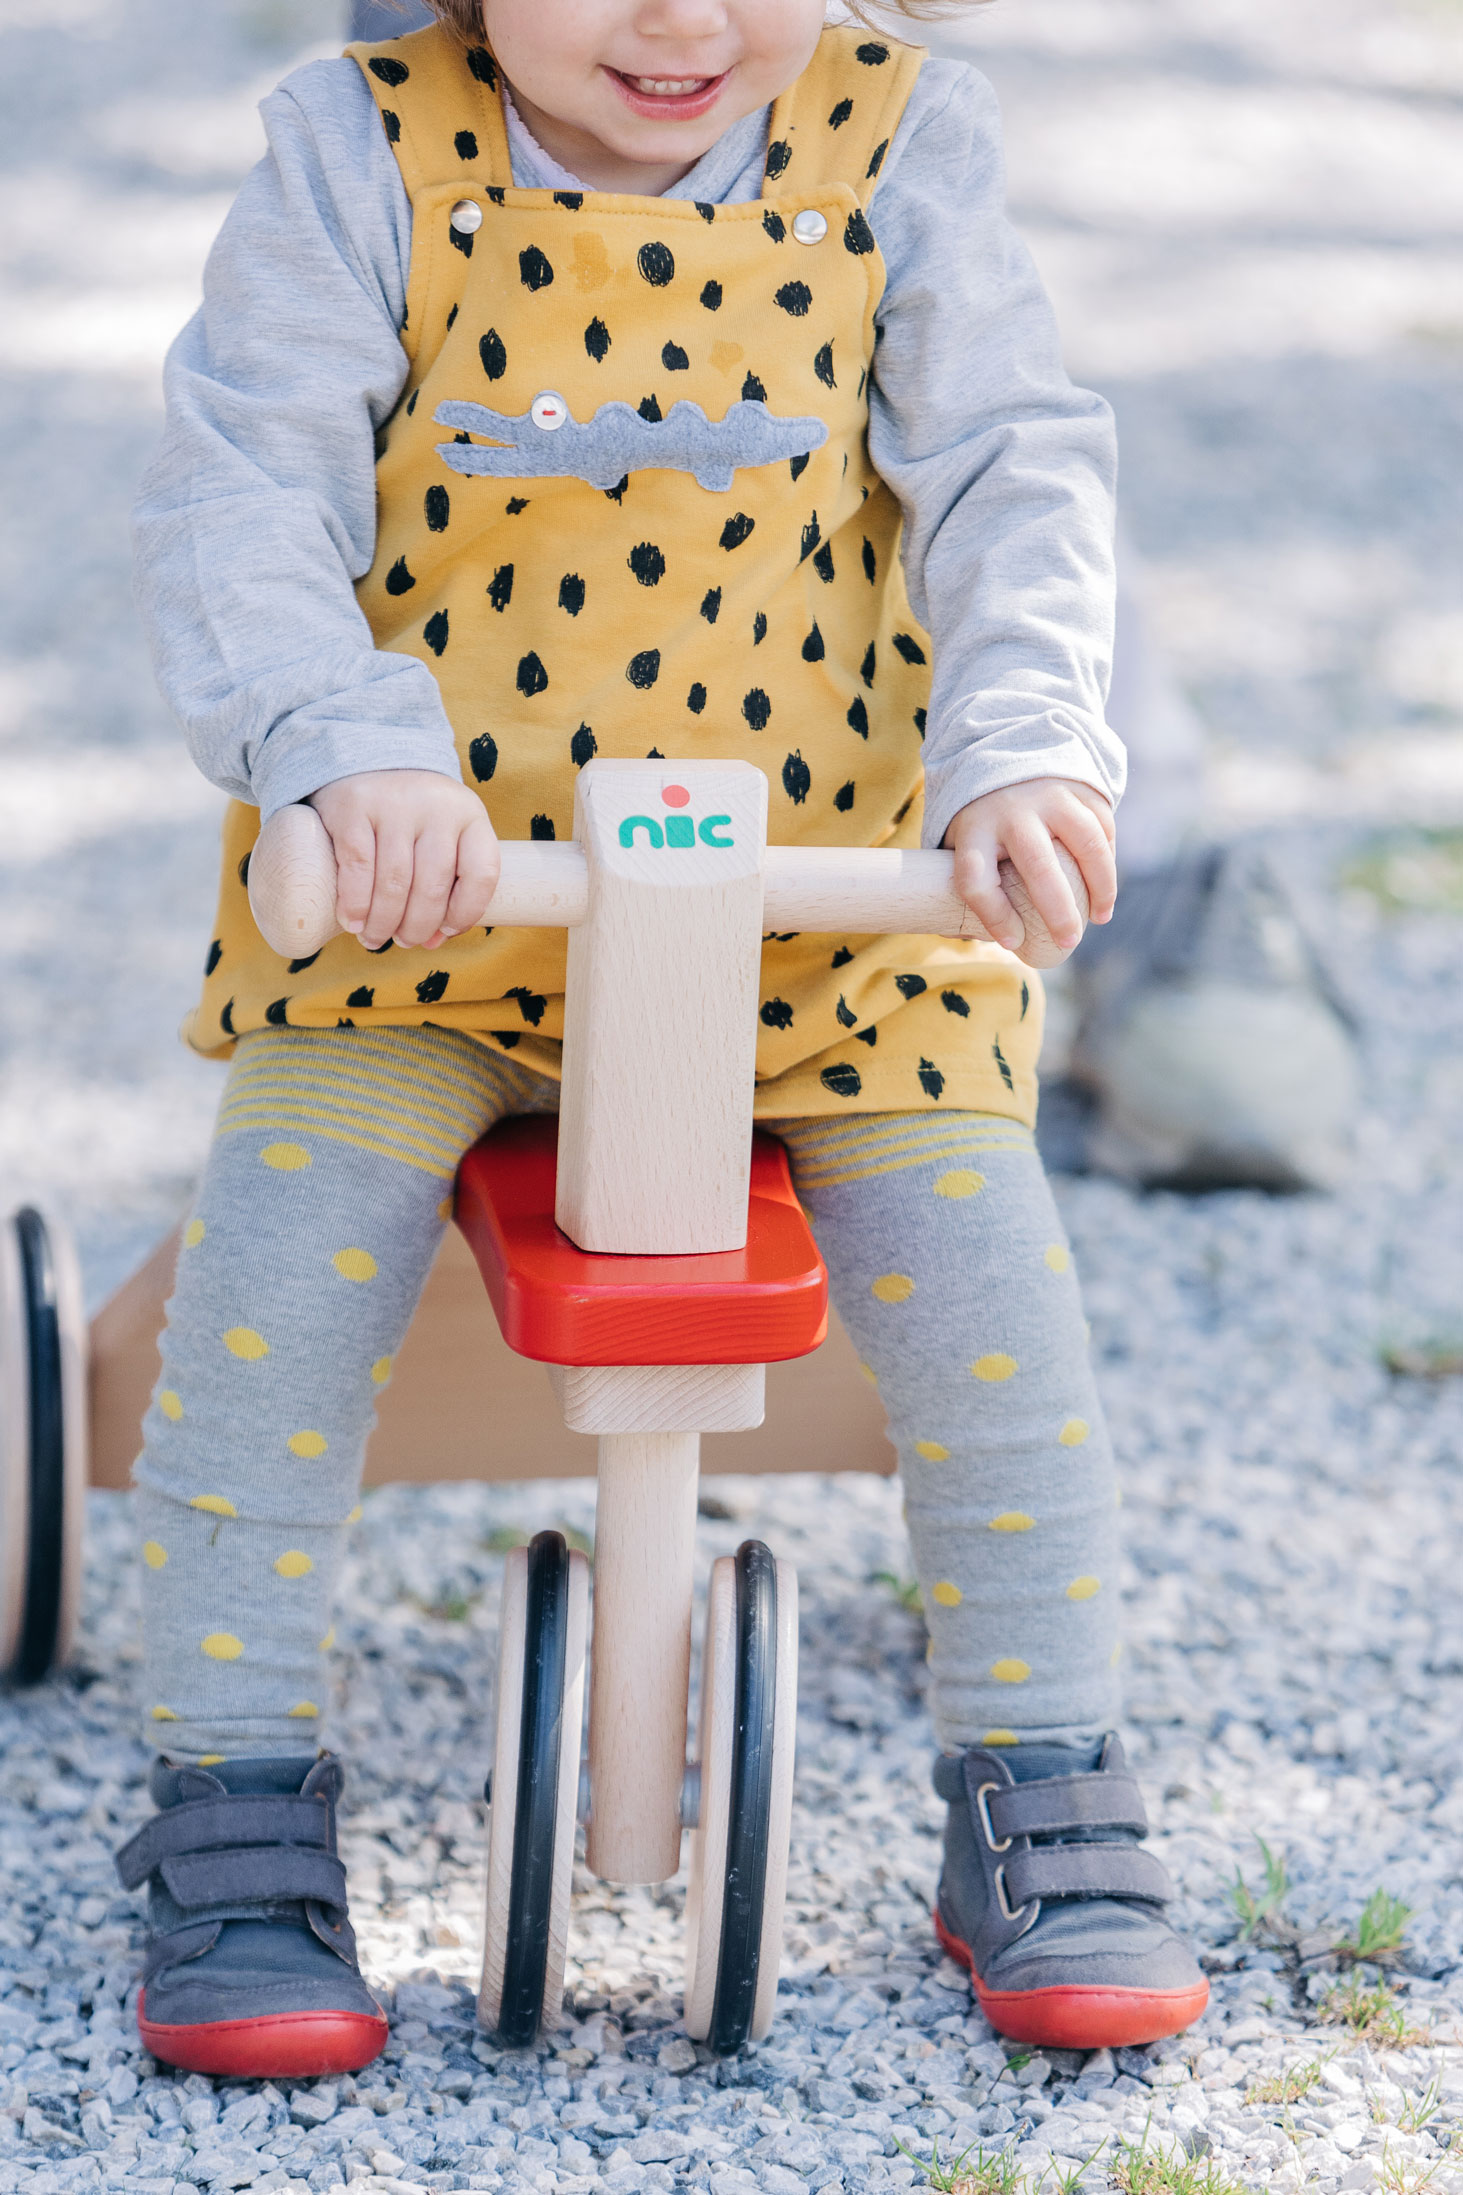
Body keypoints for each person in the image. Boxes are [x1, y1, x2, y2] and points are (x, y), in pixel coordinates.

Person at [121, 0, 1210, 2079]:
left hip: (821, 906)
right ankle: (233, 1801)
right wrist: (349, 760)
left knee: (994, 1309)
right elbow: (242, 492)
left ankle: (1044, 1778)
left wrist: (1015, 754)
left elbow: (1015, 473)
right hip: (438, 906)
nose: (687, 21)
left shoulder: (901, 144)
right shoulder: (360, 156)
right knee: (270, 1299)